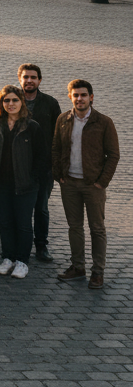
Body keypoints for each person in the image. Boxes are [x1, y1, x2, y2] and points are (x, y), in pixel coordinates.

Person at [53, 79, 120, 290]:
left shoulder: (104, 122)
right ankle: (78, 267)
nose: (79, 99)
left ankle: (98, 272)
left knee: (97, 229)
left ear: (91, 97)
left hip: (93, 185)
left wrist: (102, 182)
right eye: (75, 95)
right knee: (74, 227)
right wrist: (59, 175)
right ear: (70, 97)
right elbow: (55, 149)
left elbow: (114, 155)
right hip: (69, 183)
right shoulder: (63, 119)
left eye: (83, 95)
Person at [0, 85, 46, 280]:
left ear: (22, 102)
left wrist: (33, 177)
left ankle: (22, 262)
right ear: (1, 103)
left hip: (25, 185)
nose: (11, 104)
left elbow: (42, 157)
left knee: (24, 224)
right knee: (6, 223)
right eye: (6, 100)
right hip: (0, 184)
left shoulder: (31, 126)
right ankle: (7, 258)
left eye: (15, 100)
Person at [17, 63, 62, 263]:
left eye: (33, 77)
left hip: (44, 166)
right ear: (20, 79)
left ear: (39, 80)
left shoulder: (50, 103)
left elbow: (58, 135)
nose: (29, 80)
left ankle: (41, 246)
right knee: (19, 207)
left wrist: (54, 163)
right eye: (26, 77)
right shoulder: (11, 100)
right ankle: (19, 243)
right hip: (18, 165)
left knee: (41, 208)